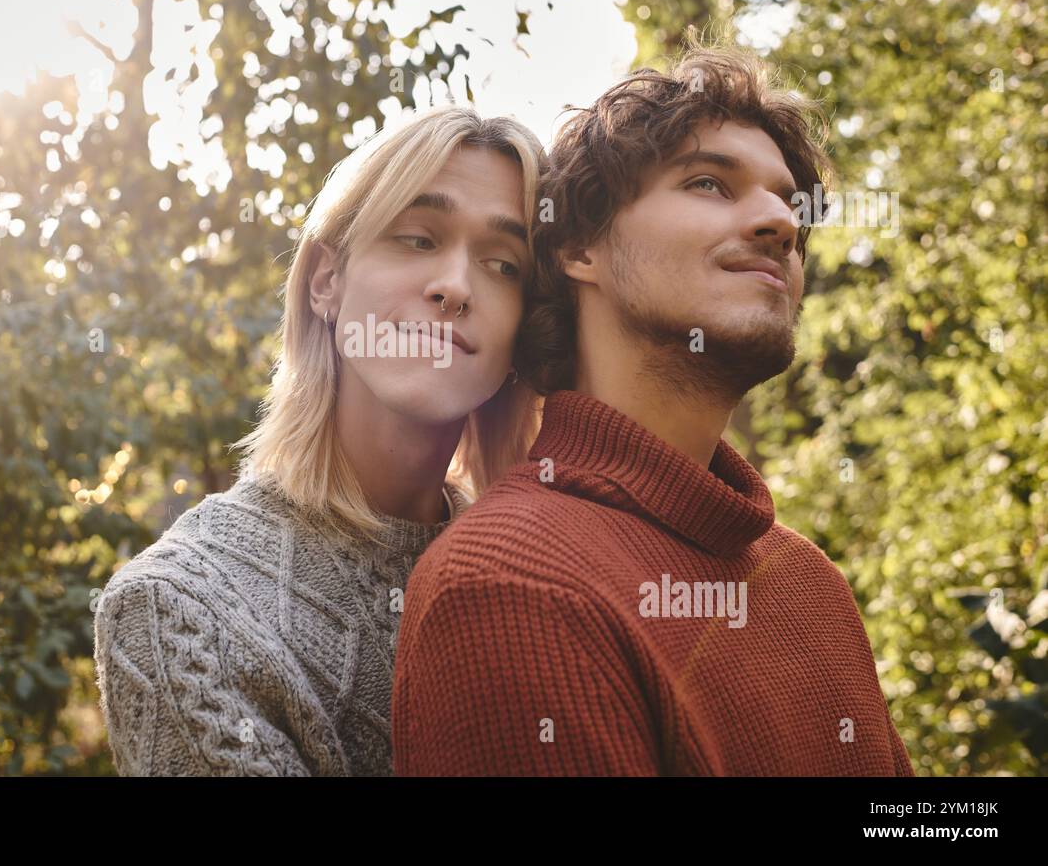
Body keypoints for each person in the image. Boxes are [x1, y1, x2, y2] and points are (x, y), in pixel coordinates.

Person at [391, 40, 916, 776]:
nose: (780, 223)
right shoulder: (511, 584)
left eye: (787, 201)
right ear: (579, 250)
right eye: (709, 183)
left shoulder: (807, 580)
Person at [93, 105, 546, 775]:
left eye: (504, 264)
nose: (454, 287)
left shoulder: (544, 579)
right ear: (326, 282)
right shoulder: (179, 609)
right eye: (419, 238)